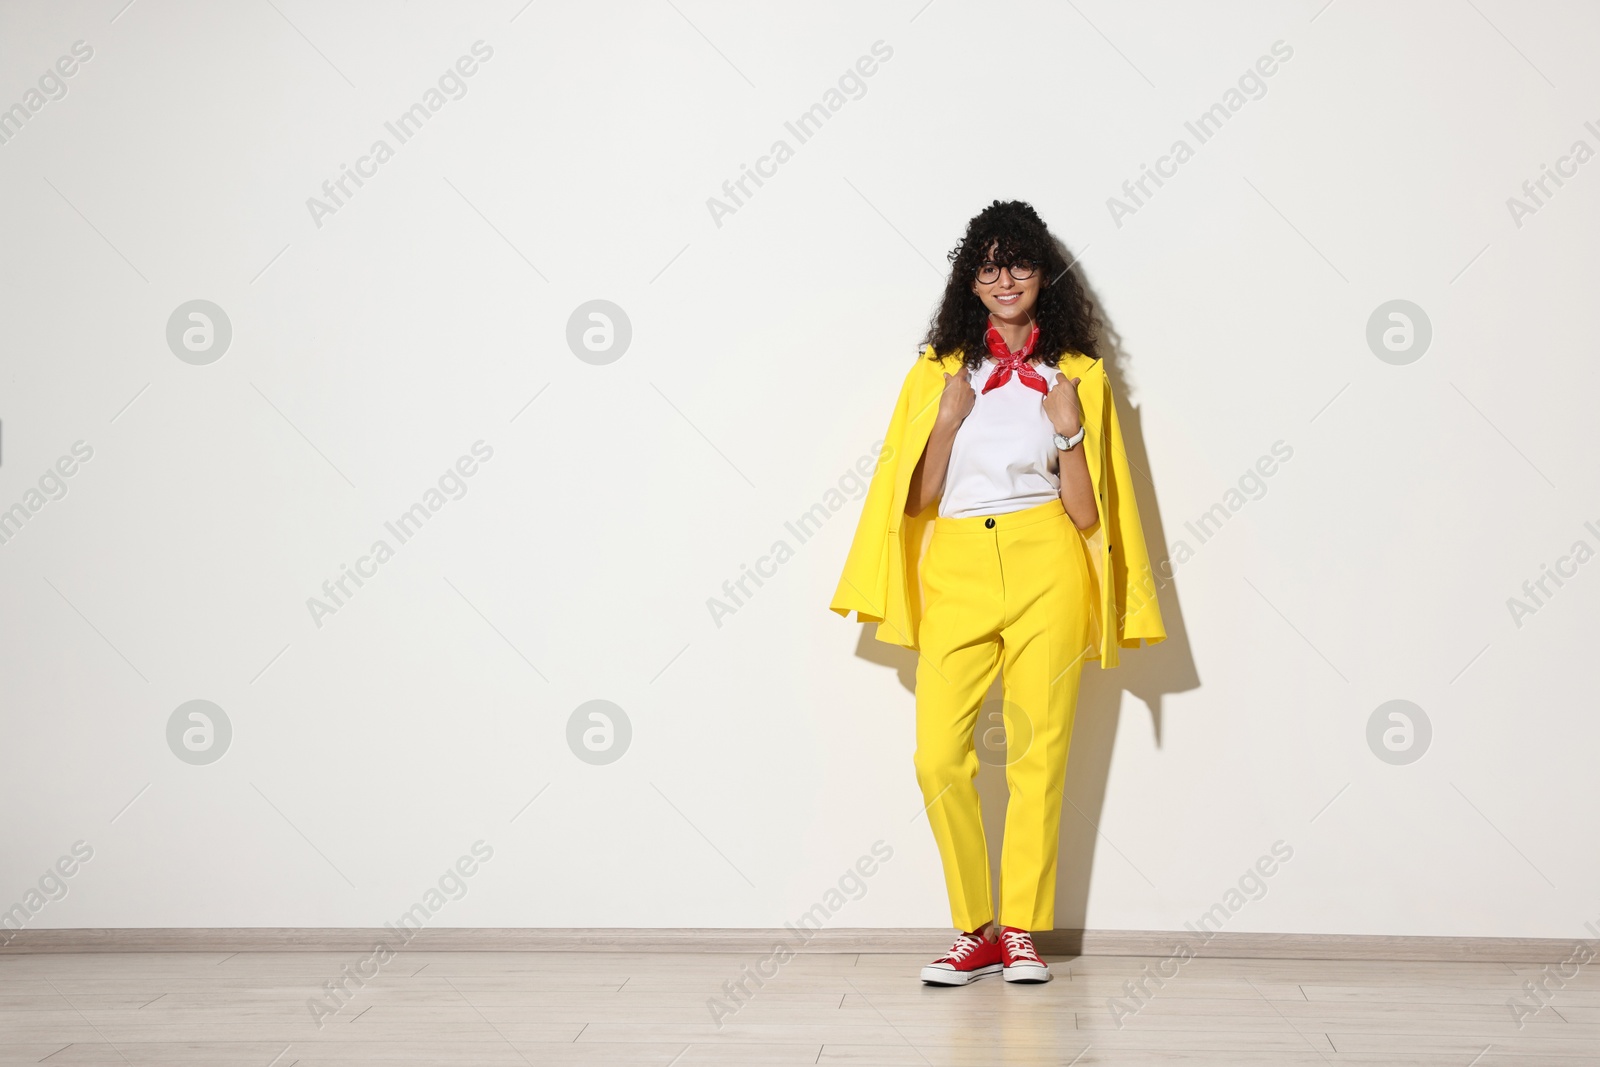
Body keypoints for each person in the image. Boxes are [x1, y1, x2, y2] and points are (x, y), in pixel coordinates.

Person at [829, 199, 1166, 985]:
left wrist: (1070, 430)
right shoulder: (938, 372)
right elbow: (912, 500)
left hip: (1046, 556)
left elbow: (1088, 510)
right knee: (938, 755)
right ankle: (973, 927)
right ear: (970, 281)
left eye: (1018, 262)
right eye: (987, 265)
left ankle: (1018, 929)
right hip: (959, 564)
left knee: (1038, 750)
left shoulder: (1077, 375)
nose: (1004, 278)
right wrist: (946, 421)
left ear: (1044, 274)